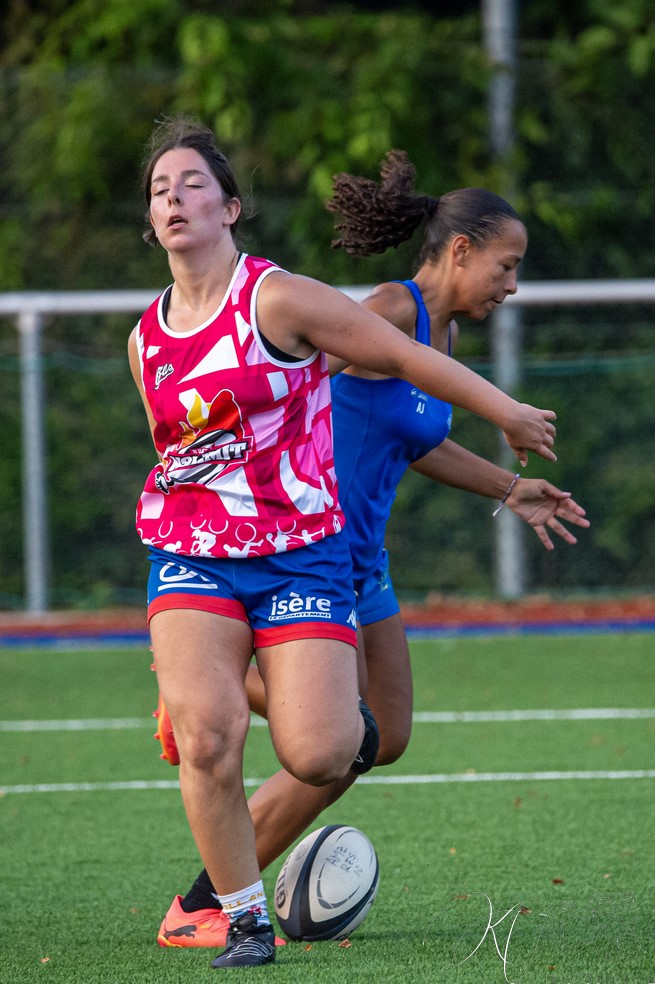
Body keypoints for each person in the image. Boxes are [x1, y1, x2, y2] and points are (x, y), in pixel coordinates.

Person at [130, 118, 559, 969]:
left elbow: (399, 385)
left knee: (340, 746)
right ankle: (232, 907)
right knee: (211, 734)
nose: (173, 198)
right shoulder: (147, 339)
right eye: (158, 191)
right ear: (151, 223)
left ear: (232, 206)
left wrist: (504, 431)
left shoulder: (281, 299)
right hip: (198, 554)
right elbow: (175, 455)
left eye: (191, 184)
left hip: (308, 551)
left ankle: (220, 686)